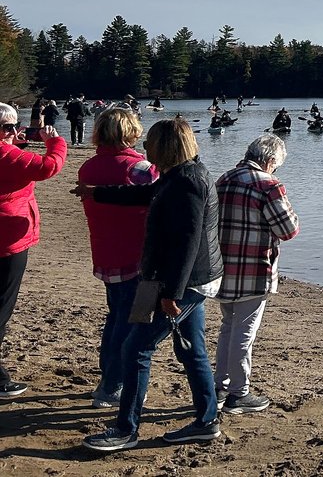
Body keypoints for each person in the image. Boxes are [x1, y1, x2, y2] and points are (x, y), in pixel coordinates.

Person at [78, 117, 222, 451]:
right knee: (192, 349)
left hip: (182, 284)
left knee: (136, 349)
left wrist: (172, 295)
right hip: (160, 279)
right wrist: (97, 193)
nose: (144, 147)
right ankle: (206, 421)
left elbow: (188, 243)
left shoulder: (189, 181)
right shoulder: (176, 175)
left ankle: (126, 430)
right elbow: (144, 193)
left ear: (166, 146)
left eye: (150, 142)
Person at [213, 135, 299, 416]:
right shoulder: (269, 185)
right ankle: (239, 394)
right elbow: (288, 230)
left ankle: (220, 386)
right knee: (244, 333)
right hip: (254, 270)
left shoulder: (224, 179)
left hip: (222, 267)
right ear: (270, 161)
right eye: (277, 165)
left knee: (228, 327)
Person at [77, 106, 157, 408]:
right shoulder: (142, 169)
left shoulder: (88, 168)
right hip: (137, 255)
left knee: (116, 316)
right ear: (131, 132)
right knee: (131, 322)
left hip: (105, 252)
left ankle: (108, 377)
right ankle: (112, 385)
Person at [0, 103, 67, 398]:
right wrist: (55, 141)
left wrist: (18, 140)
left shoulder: (9, 151)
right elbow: (47, 167)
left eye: (16, 126)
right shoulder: (6, 155)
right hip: (8, 240)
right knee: (2, 307)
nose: (14, 132)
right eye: (8, 127)